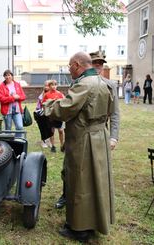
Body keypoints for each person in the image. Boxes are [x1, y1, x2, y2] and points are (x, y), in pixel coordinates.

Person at [44, 52, 114, 242]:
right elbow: (109, 110)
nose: (69, 70)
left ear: (77, 65)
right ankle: (92, 223)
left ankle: (79, 229)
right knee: (95, 182)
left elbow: (64, 108)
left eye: (69, 66)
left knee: (80, 182)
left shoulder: (85, 84)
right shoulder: (102, 82)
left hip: (84, 139)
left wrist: (48, 105)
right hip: (99, 136)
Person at [0, 69, 26, 137]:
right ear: (4, 77)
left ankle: (18, 141)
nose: (8, 77)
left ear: (12, 76)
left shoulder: (17, 85)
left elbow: (23, 96)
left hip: (17, 110)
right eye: (6, 75)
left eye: (9, 75)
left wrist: (18, 97)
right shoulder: (1, 86)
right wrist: (13, 98)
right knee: (8, 129)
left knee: (20, 127)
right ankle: (8, 145)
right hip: (7, 111)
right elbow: (2, 99)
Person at [42, 80, 65, 153]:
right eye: (52, 85)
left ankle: (62, 146)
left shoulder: (60, 94)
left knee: (61, 130)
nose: (53, 86)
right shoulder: (46, 94)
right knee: (52, 131)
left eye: (55, 85)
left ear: (57, 86)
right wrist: (50, 101)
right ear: (49, 86)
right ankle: (53, 146)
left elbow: (63, 102)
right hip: (51, 115)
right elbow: (43, 104)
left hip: (58, 115)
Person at [35, 80, 52, 148]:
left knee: (50, 128)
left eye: (48, 85)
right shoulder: (41, 95)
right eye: (45, 85)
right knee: (43, 128)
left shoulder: (53, 93)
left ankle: (50, 142)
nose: (46, 87)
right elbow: (38, 106)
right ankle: (43, 141)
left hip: (50, 113)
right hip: (42, 113)